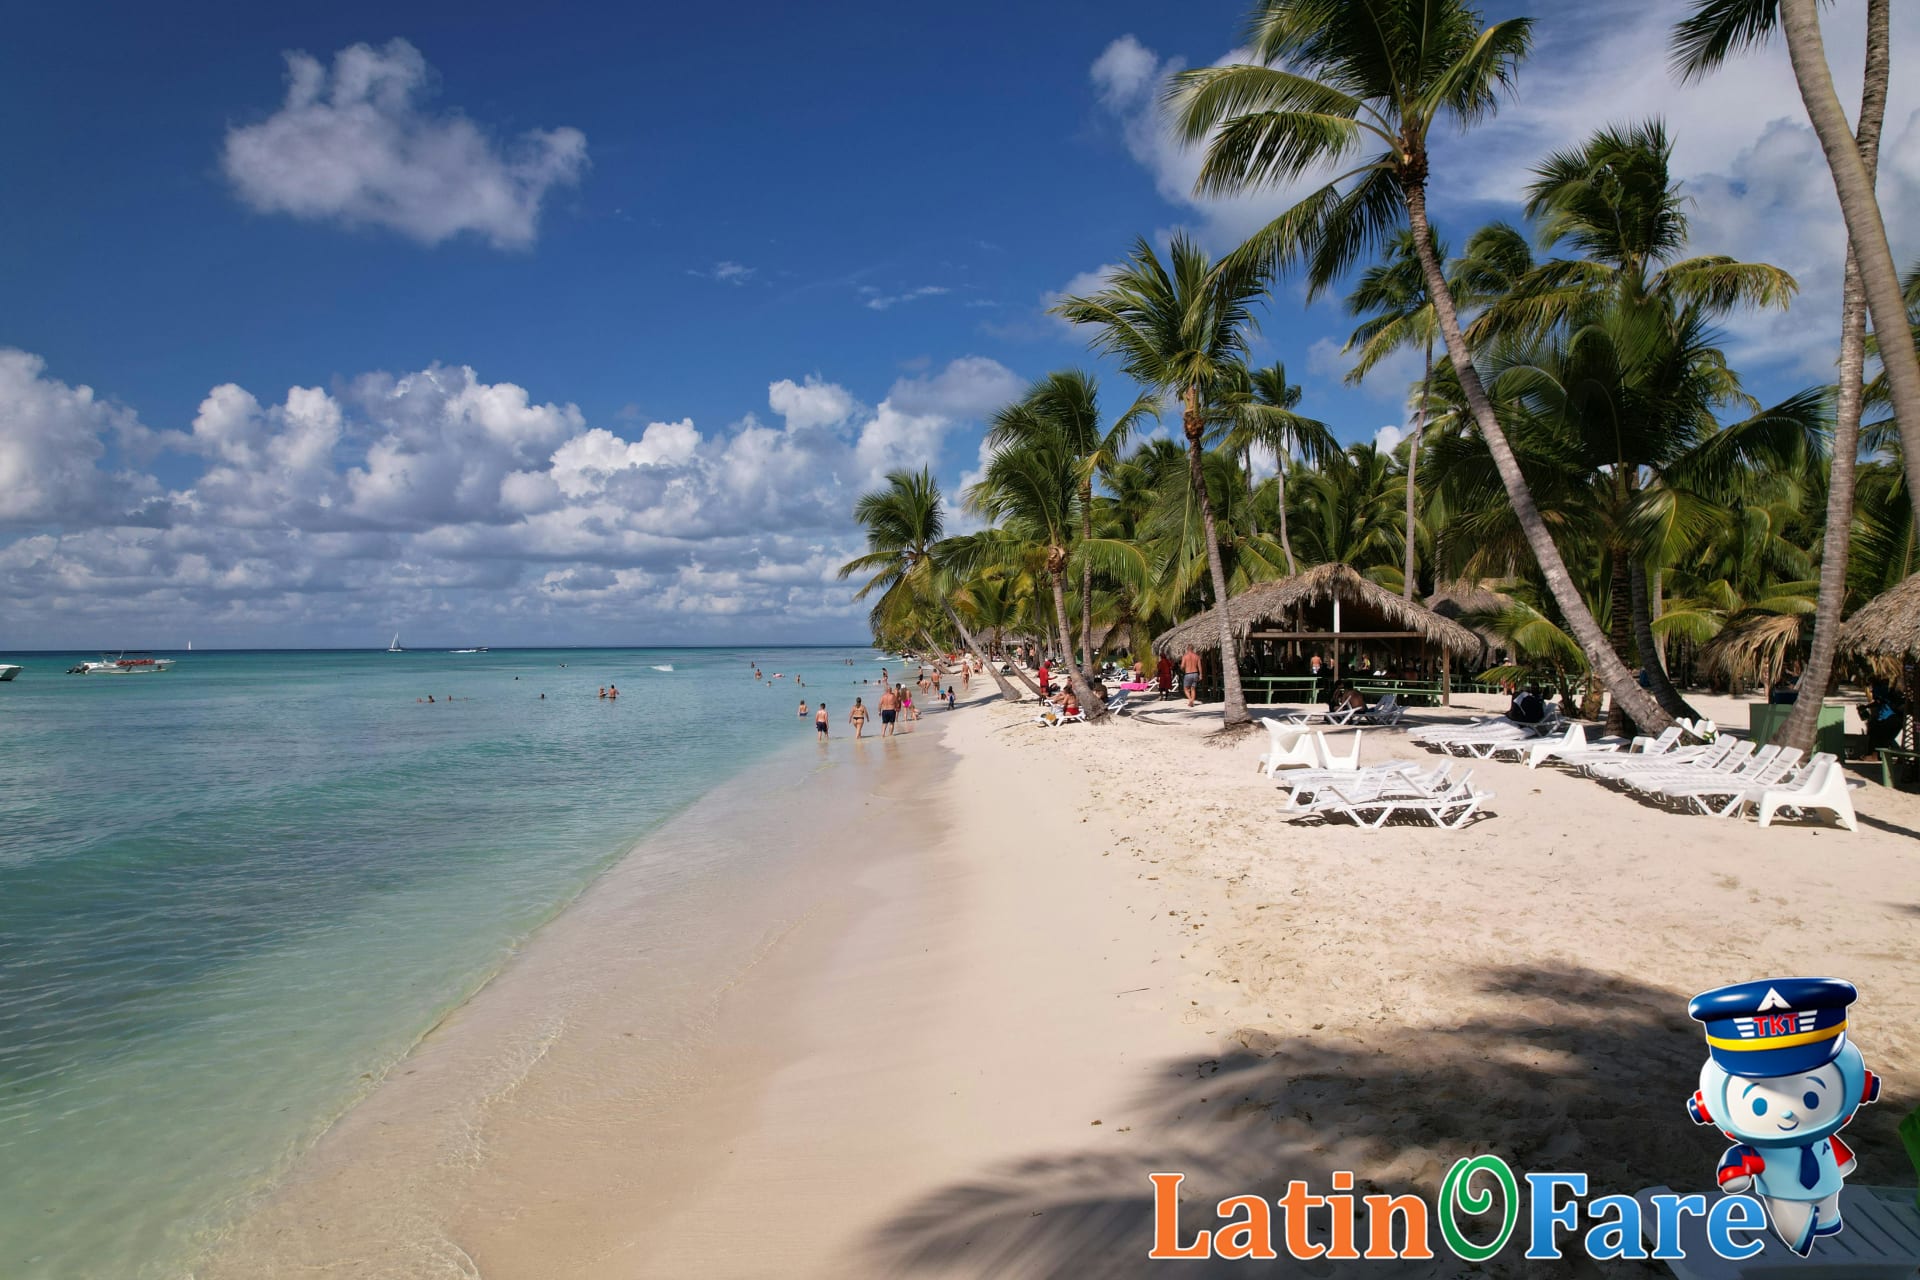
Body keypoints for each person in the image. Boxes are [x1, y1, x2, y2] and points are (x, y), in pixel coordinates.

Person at [1864, 679, 1906, 753]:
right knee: (1885, 737)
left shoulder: (1896, 696)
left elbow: (1880, 701)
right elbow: (1879, 701)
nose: (1871, 691)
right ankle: (1876, 754)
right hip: (1890, 719)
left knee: (1883, 736)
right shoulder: (1892, 694)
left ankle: (1875, 754)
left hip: (1892, 719)